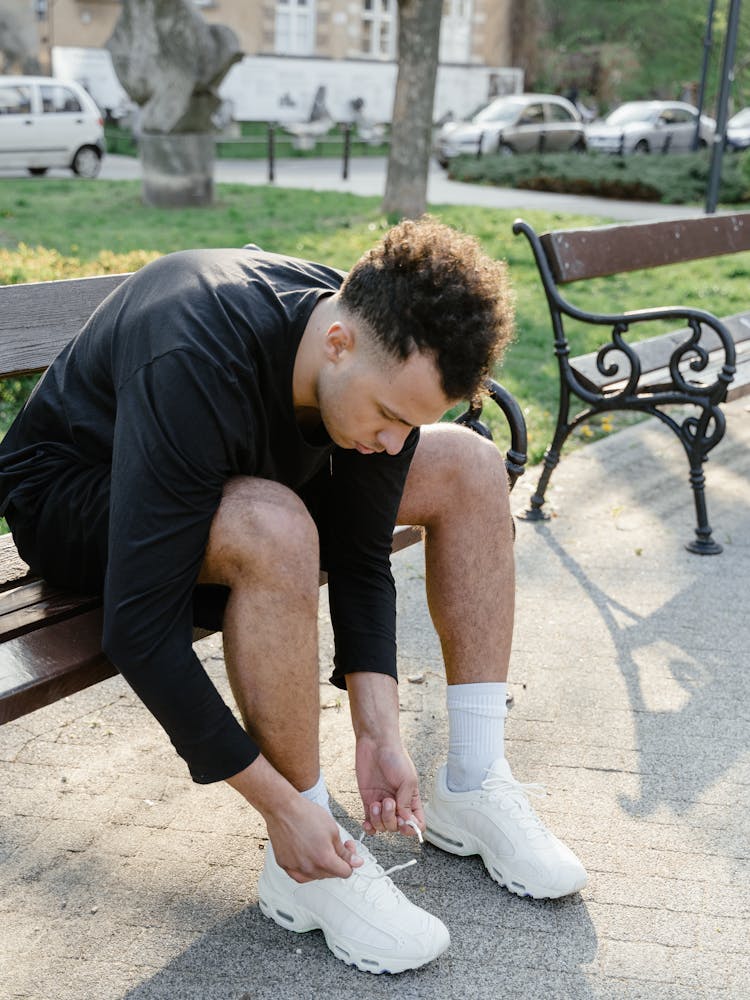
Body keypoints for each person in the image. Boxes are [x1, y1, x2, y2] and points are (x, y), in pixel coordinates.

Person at [0, 217, 586, 974]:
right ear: (338, 343)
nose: (391, 442)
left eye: (410, 424)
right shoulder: (195, 345)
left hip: (230, 478)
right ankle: (306, 858)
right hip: (78, 499)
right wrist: (282, 807)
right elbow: (138, 630)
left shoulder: (364, 358)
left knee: (470, 467)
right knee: (277, 527)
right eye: (389, 417)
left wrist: (379, 730)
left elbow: (362, 555)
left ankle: (472, 781)